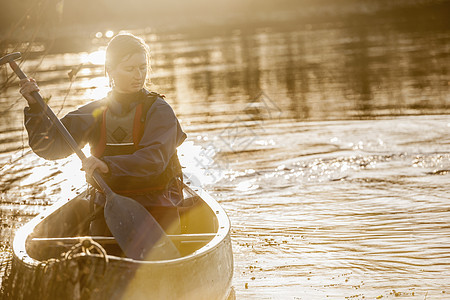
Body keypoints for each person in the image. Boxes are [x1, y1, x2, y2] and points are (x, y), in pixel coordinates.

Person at [19, 33, 187, 242]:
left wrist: (108, 166)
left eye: (142, 67)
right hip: (108, 207)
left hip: (157, 208)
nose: (139, 75)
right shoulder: (96, 111)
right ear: (110, 70)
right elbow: (49, 147)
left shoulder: (160, 111)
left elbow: (154, 159)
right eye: (130, 68)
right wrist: (36, 108)